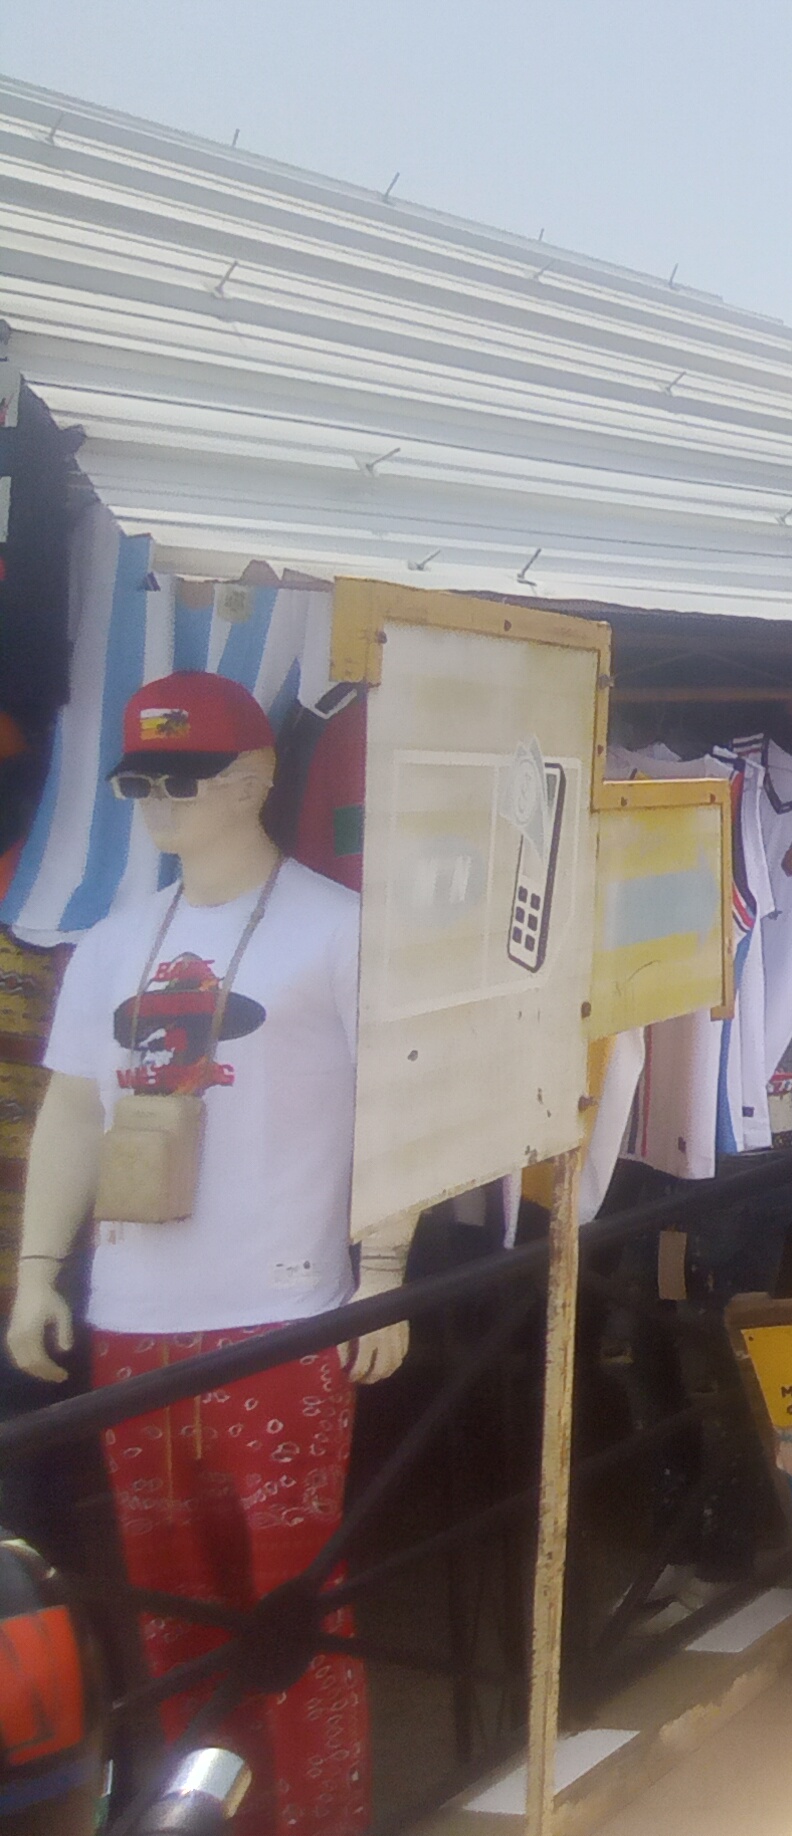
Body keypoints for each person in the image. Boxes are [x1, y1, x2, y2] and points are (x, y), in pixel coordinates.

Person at [6, 673, 379, 1836]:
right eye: (142, 783)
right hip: (134, 1322)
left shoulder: (339, 929)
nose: (163, 802)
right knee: (169, 1611)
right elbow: (74, 1109)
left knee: (294, 1603)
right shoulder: (113, 942)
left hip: (283, 1317)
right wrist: (35, 1273)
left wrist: (389, 1270)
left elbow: (397, 1107)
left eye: (187, 778)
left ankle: (319, 1819)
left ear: (257, 777)